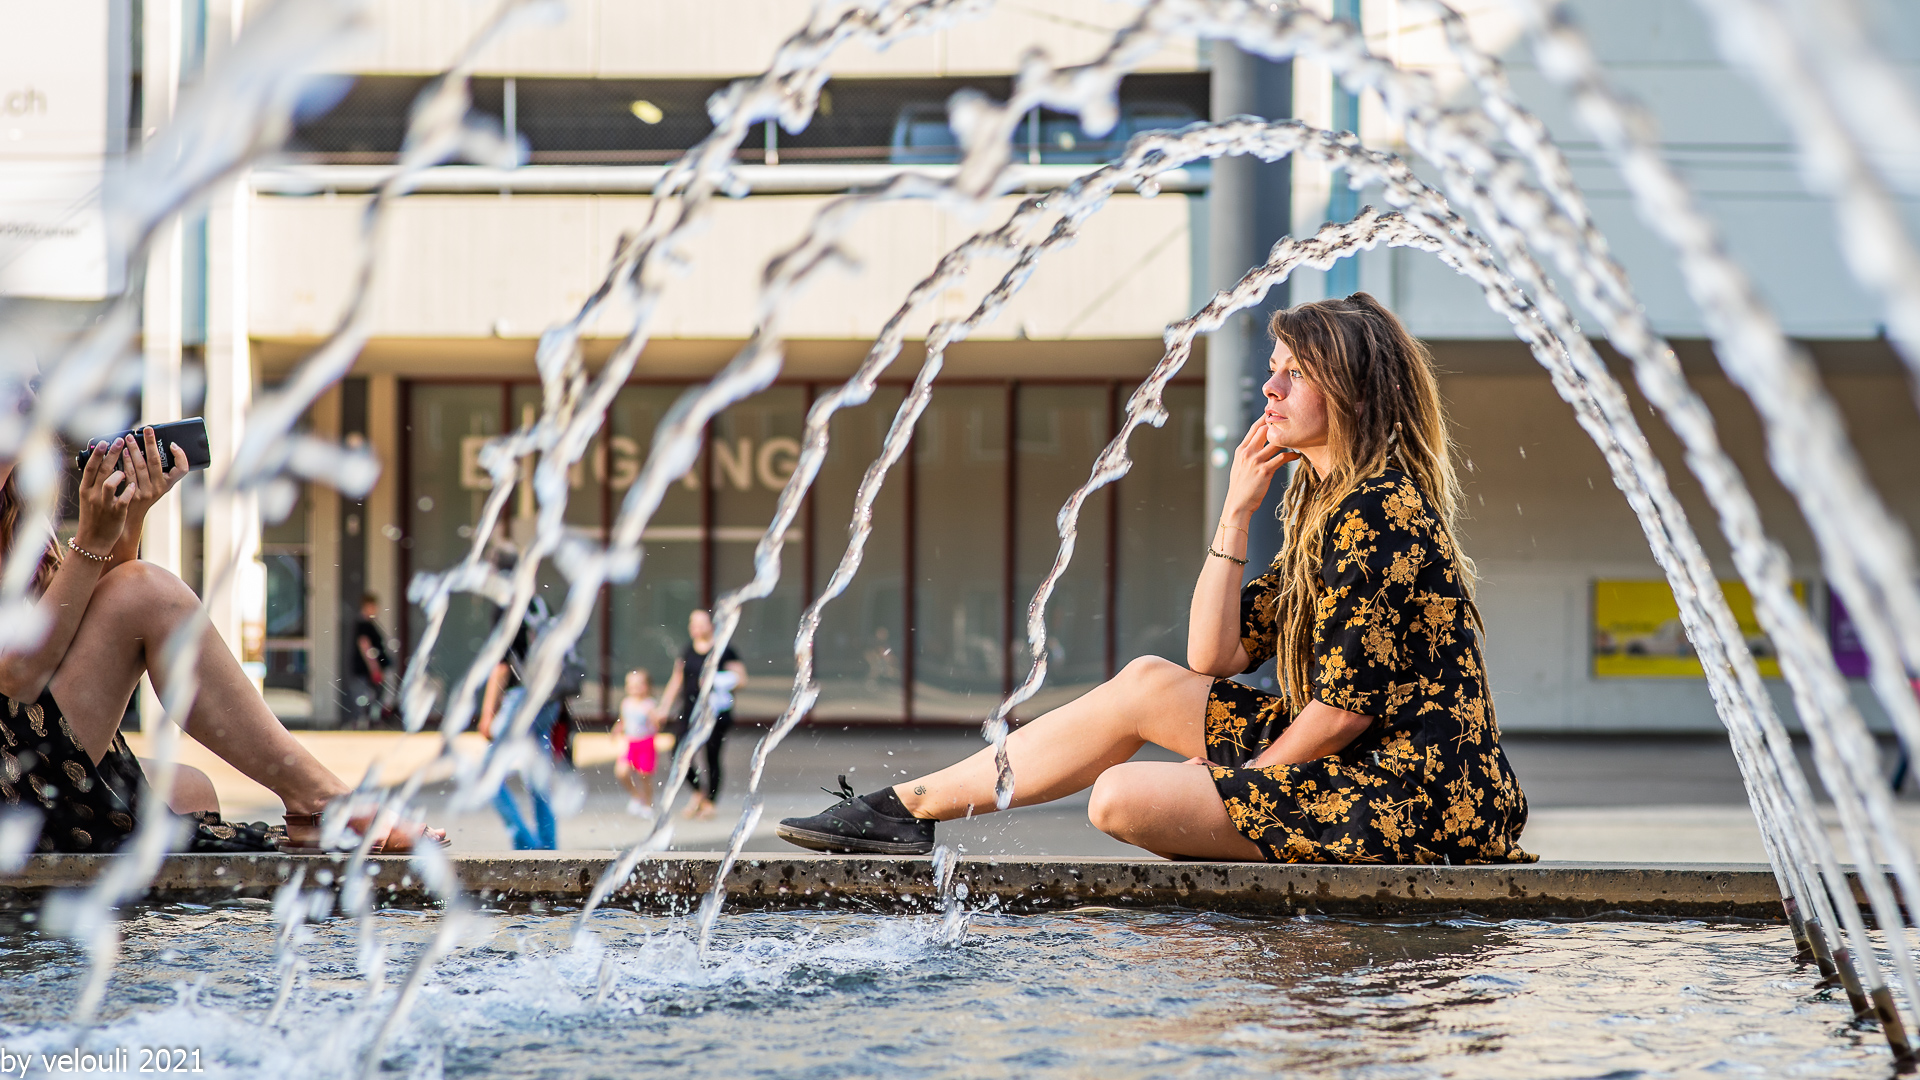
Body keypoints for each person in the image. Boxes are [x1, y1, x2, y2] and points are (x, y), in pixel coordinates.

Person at [777, 293, 1535, 865]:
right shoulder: (1328, 507)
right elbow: (1215, 655)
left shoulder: (1379, 511)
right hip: (1358, 767)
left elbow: (1339, 716)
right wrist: (1237, 513)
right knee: (1146, 681)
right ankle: (907, 807)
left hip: (1418, 797)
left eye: (1294, 374)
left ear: (1354, 394)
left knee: (1121, 798)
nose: (1269, 391)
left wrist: (1247, 783)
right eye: (1273, 371)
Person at [0, 425, 442, 854]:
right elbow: (19, 674)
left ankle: (110, 928)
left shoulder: (20, 518)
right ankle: (321, 801)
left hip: (25, 759)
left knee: (190, 790)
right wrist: (92, 540)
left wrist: (126, 522)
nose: (33, 401)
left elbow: (84, 632)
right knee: (151, 592)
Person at [477, 594, 562, 850]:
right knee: (537, 773)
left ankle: (525, 842)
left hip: (521, 697)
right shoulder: (540, 603)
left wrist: (488, 712)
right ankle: (548, 847)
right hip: (547, 696)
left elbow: (502, 664)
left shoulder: (506, 603)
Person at [657, 609, 745, 820]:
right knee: (678, 753)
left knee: (711, 757)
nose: (695, 627)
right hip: (689, 711)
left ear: (711, 626)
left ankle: (709, 802)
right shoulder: (687, 650)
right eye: (692, 622)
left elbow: (741, 679)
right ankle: (698, 792)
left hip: (716, 712)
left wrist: (720, 680)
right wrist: (664, 707)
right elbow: (677, 680)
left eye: (700, 623)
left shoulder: (724, 650)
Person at [615, 669, 660, 817]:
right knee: (621, 772)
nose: (634, 688)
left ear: (647, 686)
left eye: (639, 685)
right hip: (630, 743)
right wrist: (618, 729)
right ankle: (636, 796)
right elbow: (623, 720)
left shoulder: (649, 705)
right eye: (631, 685)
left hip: (645, 743)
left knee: (644, 776)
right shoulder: (626, 703)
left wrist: (654, 718)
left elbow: (657, 725)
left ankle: (647, 804)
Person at [346, 592, 390, 729]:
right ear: (367, 606)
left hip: (367, 671)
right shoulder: (364, 625)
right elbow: (365, 646)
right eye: (373, 606)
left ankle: (369, 722)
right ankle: (364, 724)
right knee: (366, 699)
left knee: (372, 698)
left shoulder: (370, 624)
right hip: (365, 671)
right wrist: (375, 669)